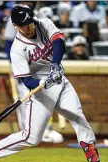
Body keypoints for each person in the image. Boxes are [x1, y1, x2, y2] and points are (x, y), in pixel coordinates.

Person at [0, 5, 103, 162]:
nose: (29, 27)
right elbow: (26, 80)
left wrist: (55, 66)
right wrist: (43, 82)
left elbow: (59, 43)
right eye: (24, 25)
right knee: (31, 137)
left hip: (60, 82)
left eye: (30, 22)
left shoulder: (44, 23)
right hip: (41, 91)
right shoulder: (17, 49)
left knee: (79, 118)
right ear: (15, 26)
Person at [4, 1, 64, 143]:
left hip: (40, 64)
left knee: (45, 97)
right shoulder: (15, 17)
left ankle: (44, 130)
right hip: (24, 64)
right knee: (26, 98)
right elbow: (8, 42)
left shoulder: (39, 15)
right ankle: (26, 131)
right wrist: (16, 66)